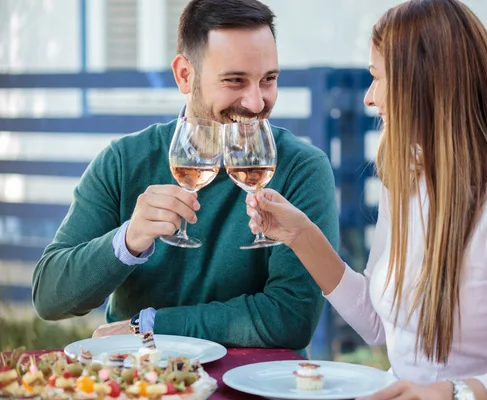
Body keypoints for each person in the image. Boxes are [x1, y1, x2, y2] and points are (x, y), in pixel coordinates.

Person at [245, 0, 487, 399]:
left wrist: (448, 393)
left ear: (426, 85)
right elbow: (379, 325)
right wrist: (301, 236)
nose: (369, 98)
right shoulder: (408, 181)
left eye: (378, 78)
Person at [31, 0, 339, 352]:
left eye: (268, 79)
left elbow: (290, 318)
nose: (256, 103)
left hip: (255, 385)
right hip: (143, 384)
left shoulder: (302, 169)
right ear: (184, 75)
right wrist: (129, 240)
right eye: (235, 80)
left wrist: (150, 325)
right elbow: (50, 297)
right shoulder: (124, 161)